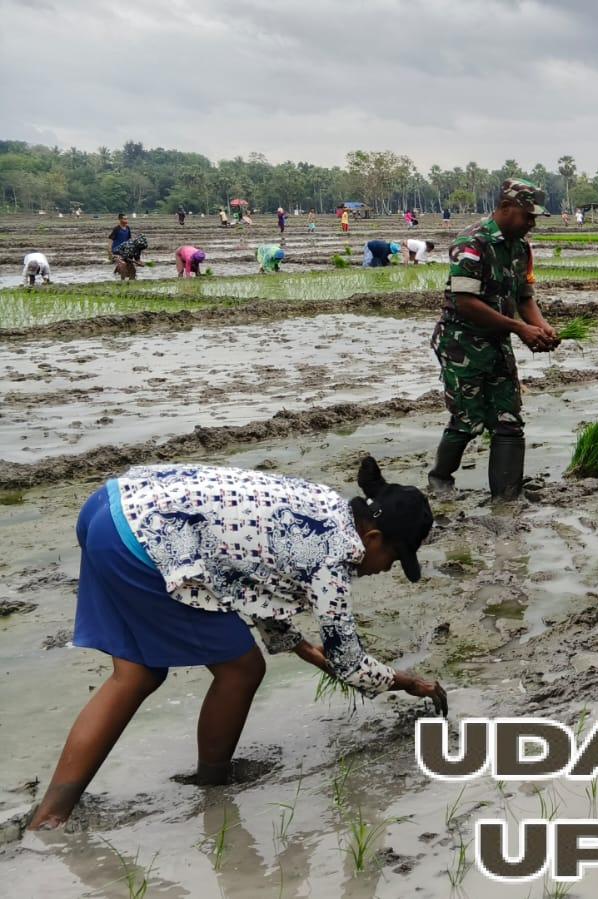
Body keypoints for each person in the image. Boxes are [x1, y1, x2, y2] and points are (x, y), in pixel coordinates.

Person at [26, 458, 445, 831]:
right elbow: (351, 665)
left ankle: (51, 815)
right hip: (146, 540)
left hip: (112, 508)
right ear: (372, 539)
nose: (385, 570)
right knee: (241, 669)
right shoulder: (332, 559)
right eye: (393, 560)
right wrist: (410, 683)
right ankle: (212, 782)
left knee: (137, 673)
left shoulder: (324, 505)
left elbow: (249, 578)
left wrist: (304, 648)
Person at [428, 178, 561, 501]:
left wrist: (541, 327)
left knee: (508, 420)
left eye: (534, 218)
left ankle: (507, 497)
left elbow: (524, 296)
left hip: (497, 342)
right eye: (527, 216)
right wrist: (519, 329)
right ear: (505, 208)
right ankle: (440, 478)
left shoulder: (520, 248)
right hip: (461, 342)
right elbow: (465, 302)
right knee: (468, 420)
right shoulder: (471, 244)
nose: (531, 224)